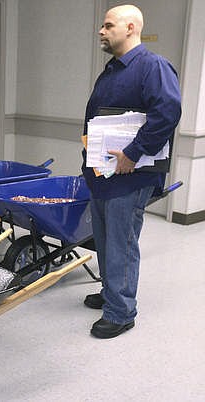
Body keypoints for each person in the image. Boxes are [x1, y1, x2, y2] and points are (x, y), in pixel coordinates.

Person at [81, 4, 181, 338]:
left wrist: (133, 154)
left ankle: (121, 312)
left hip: (130, 175)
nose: (101, 31)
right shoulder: (112, 69)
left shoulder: (152, 66)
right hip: (103, 173)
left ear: (130, 28)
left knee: (122, 244)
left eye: (108, 25)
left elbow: (167, 113)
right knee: (106, 240)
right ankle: (111, 293)